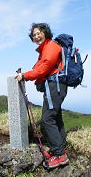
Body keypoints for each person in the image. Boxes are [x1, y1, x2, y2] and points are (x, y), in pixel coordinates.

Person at [16, 23, 69, 168]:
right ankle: (61, 148)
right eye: (34, 35)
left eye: (39, 33)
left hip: (54, 85)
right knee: (55, 116)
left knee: (47, 119)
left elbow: (44, 67)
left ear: (46, 33)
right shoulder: (44, 49)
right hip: (55, 86)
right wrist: (27, 74)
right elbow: (38, 66)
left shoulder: (51, 46)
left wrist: (25, 76)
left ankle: (60, 155)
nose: (36, 36)